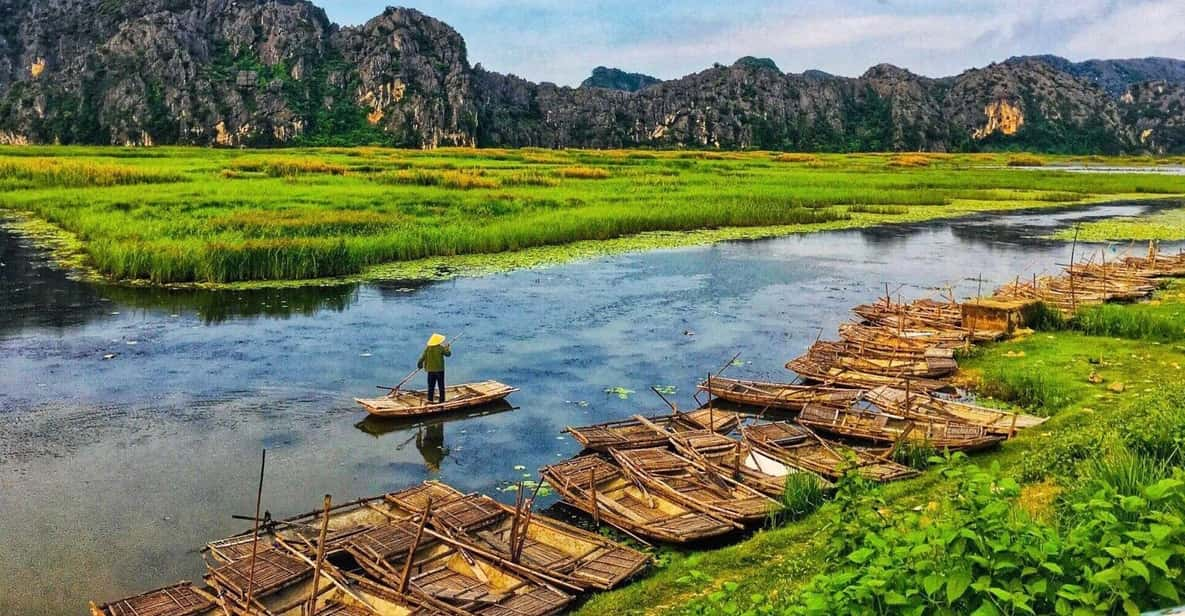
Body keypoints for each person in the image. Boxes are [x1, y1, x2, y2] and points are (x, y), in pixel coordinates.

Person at [418, 333, 451, 403]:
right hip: (439, 370)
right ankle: (442, 401)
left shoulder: (428, 348)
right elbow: (448, 354)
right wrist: (447, 348)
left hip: (430, 371)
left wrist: (420, 365)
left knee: (431, 387)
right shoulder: (440, 348)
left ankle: (430, 400)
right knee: (441, 386)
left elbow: (421, 358)